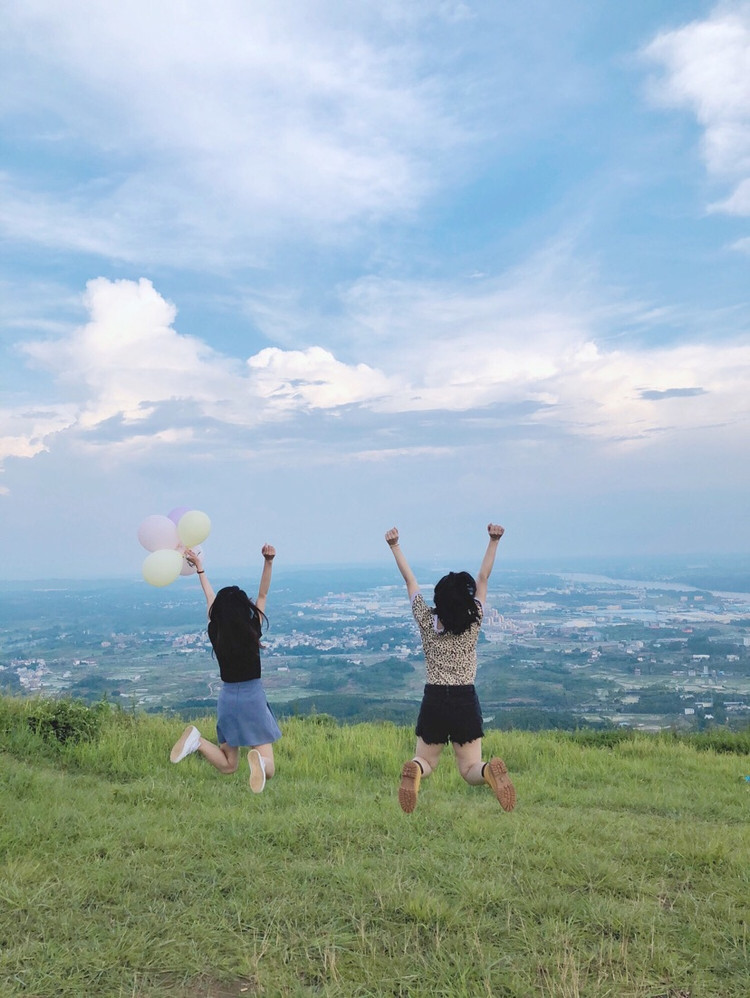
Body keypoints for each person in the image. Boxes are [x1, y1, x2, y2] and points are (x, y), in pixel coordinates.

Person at [385, 523, 516, 814]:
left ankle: (415, 770)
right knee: (470, 767)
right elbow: (483, 577)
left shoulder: (425, 620)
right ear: (467, 601)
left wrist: (395, 545)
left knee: (427, 761)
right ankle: (488, 772)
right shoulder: (476, 618)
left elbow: (410, 582)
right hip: (464, 699)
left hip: (434, 698)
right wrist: (494, 540)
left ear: (438, 600)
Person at [169, 544, 282, 793]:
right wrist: (268, 561)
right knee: (269, 765)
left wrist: (200, 569)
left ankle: (197, 742)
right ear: (245, 609)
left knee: (229, 765)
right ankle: (260, 761)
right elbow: (263, 594)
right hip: (252, 698)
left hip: (227, 699)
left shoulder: (216, 632)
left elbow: (210, 599)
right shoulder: (252, 629)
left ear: (218, 613)